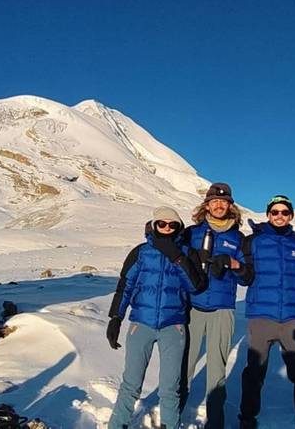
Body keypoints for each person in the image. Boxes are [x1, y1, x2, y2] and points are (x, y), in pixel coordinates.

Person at [106, 206, 207, 429]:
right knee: (131, 384)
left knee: (170, 388)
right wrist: (115, 318)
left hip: (174, 326)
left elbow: (195, 286)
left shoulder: (186, 253)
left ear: (179, 227)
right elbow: (125, 286)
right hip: (141, 324)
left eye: (173, 224)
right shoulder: (140, 252)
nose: (167, 228)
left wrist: (177, 258)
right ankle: (117, 425)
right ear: (154, 225)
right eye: (162, 223)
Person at [238, 195, 295, 429]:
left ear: (291, 215)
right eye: (275, 212)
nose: (280, 216)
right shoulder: (253, 242)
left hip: (292, 317)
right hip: (261, 316)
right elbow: (243, 275)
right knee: (254, 372)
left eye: (284, 212)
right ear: (268, 215)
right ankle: (247, 420)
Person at [182, 182, 253, 429]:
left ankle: (215, 423)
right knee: (183, 367)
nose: (219, 205)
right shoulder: (191, 233)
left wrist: (233, 264)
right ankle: (172, 417)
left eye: (224, 201)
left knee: (216, 371)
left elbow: (247, 277)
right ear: (207, 205)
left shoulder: (238, 238)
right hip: (192, 307)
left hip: (222, 310)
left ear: (230, 206)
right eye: (215, 201)